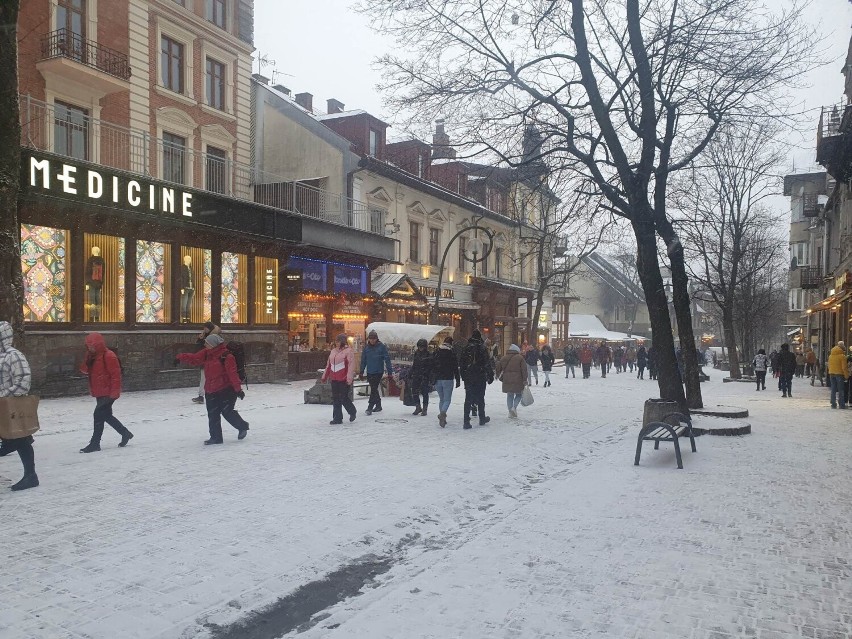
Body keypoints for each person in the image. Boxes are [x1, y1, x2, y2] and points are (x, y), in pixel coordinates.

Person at [177, 333, 249, 443]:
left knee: (227, 412)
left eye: (207, 343)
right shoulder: (207, 353)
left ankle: (242, 426)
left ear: (213, 344)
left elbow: (232, 374)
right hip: (210, 389)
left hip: (226, 389)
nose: (205, 344)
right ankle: (216, 438)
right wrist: (180, 357)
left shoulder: (227, 356)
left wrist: (238, 389)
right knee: (213, 414)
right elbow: (195, 358)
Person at [79, 333, 133, 453]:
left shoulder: (109, 356)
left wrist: (114, 392)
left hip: (108, 393)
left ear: (98, 345)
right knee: (106, 416)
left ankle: (95, 443)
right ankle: (125, 433)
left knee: (98, 415)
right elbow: (84, 370)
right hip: (100, 391)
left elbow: (116, 375)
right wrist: (87, 359)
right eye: (88, 346)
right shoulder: (92, 356)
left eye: (91, 346)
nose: (90, 348)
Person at [0, 321, 38, 491]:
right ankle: (31, 475)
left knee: (18, 439)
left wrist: (6, 396)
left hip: (9, 406)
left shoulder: (13, 355)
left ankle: (31, 476)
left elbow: (24, 379)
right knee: (18, 440)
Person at [459, 330, 494, 429]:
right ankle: (482, 418)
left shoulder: (466, 348)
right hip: (480, 376)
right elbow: (487, 363)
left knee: (468, 398)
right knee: (481, 397)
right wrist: (490, 375)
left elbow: (461, 363)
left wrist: (463, 375)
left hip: (469, 377)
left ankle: (466, 420)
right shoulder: (482, 348)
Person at [321, 334, 357, 425]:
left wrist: (349, 379)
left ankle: (352, 411)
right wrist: (325, 376)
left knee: (343, 397)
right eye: (336, 341)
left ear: (343, 342)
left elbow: (351, 366)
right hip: (334, 378)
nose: (336, 343)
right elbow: (328, 365)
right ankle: (337, 418)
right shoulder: (333, 351)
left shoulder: (348, 351)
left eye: (338, 341)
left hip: (343, 379)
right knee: (336, 398)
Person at [359, 329, 393, 416]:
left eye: (374, 338)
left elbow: (387, 359)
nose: (372, 340)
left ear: (377, 339)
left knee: (373, 389)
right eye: (371, 338)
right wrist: (361, 371)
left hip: (378, 371)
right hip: (370, 371)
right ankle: (378, 405)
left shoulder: (381, 347)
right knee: (374, 388)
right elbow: (363, 360)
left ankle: (370, 407)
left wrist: (390, 372)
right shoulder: (366, 348)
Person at [431, 336, 460, 427]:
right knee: (447, 400)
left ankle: (443, 418)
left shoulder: (437, 352)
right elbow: (455, 367)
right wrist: (458, 379)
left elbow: (432, 364)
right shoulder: (451, 353)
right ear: (451, 343)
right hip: (448, 378)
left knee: (442, 399)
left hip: (438, 378)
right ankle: (443, 414)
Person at [495, 344, 529, 418]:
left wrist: (499, 376)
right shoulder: (520, 358)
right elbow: (524, 370)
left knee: (509, 395)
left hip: (507, 379)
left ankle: (510, 411)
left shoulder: (504, 358)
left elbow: (498, 367)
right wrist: (525, 380)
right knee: (519, 394)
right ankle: (514, 407)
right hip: (518, 380)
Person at [192, 322, 220, 404]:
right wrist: (200, 339)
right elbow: (198, 348)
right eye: (204, 327)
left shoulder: (213, 337)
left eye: (206, 328)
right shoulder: (204, 336)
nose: (204, 329)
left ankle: (213, 395)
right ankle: (201, 396)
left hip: (211, 361)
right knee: (203, 379)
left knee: (211, 379)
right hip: (205, 361)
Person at [409, 338, 433, 416]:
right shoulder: (417, 353)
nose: (421, 348)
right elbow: (414, 364)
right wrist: (410, 373)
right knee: (414, 391)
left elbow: (430, 367)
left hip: (424, 376)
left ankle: (425, 409)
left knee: (424, 392)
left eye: (422, 347)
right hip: (416, 374)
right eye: (419, 346)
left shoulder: (429, 355)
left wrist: (427, 375)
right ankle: (418, 406)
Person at [827, 341, 848, 409]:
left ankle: (833, 403)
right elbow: (844, 367)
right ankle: (841, 404)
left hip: (831, 373)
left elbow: (829, 365)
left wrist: (830, 371)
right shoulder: (842, 356)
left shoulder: (831, 356)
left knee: (833, 389)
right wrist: (846, 376)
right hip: (839, 374)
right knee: (840, 389)